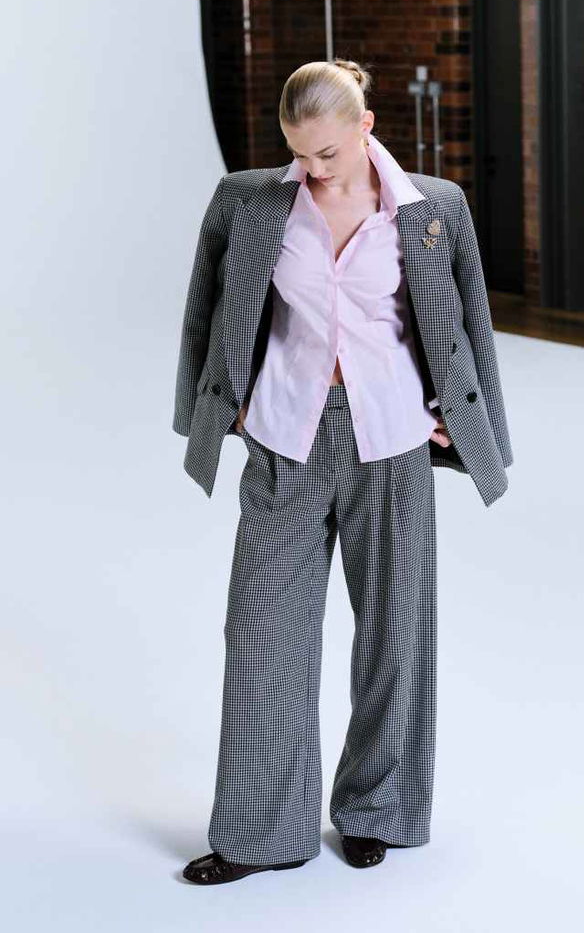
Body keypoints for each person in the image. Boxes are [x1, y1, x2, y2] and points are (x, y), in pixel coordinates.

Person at [176, 58, 513, 885]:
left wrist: (464, 416)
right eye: (298, 152)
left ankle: (378, 811)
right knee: (260, 634)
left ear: (365, 126)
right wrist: (222, 405)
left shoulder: (433, 208)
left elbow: (468, 319)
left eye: (327, 152)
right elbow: (206, 310)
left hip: (391, 440)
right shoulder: (249, 202)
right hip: (283, 435)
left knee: (396, 635)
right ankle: (260, 833)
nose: (313, 168)